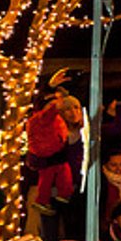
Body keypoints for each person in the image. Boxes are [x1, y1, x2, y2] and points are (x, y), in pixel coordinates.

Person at [25, 89, 79, 217]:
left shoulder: (56, 120)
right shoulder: (42, 118)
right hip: (49, 154)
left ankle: (61, 194)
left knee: (56, 174)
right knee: (51, 176)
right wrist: (57, 101)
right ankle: (49, 198)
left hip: (53, 154)